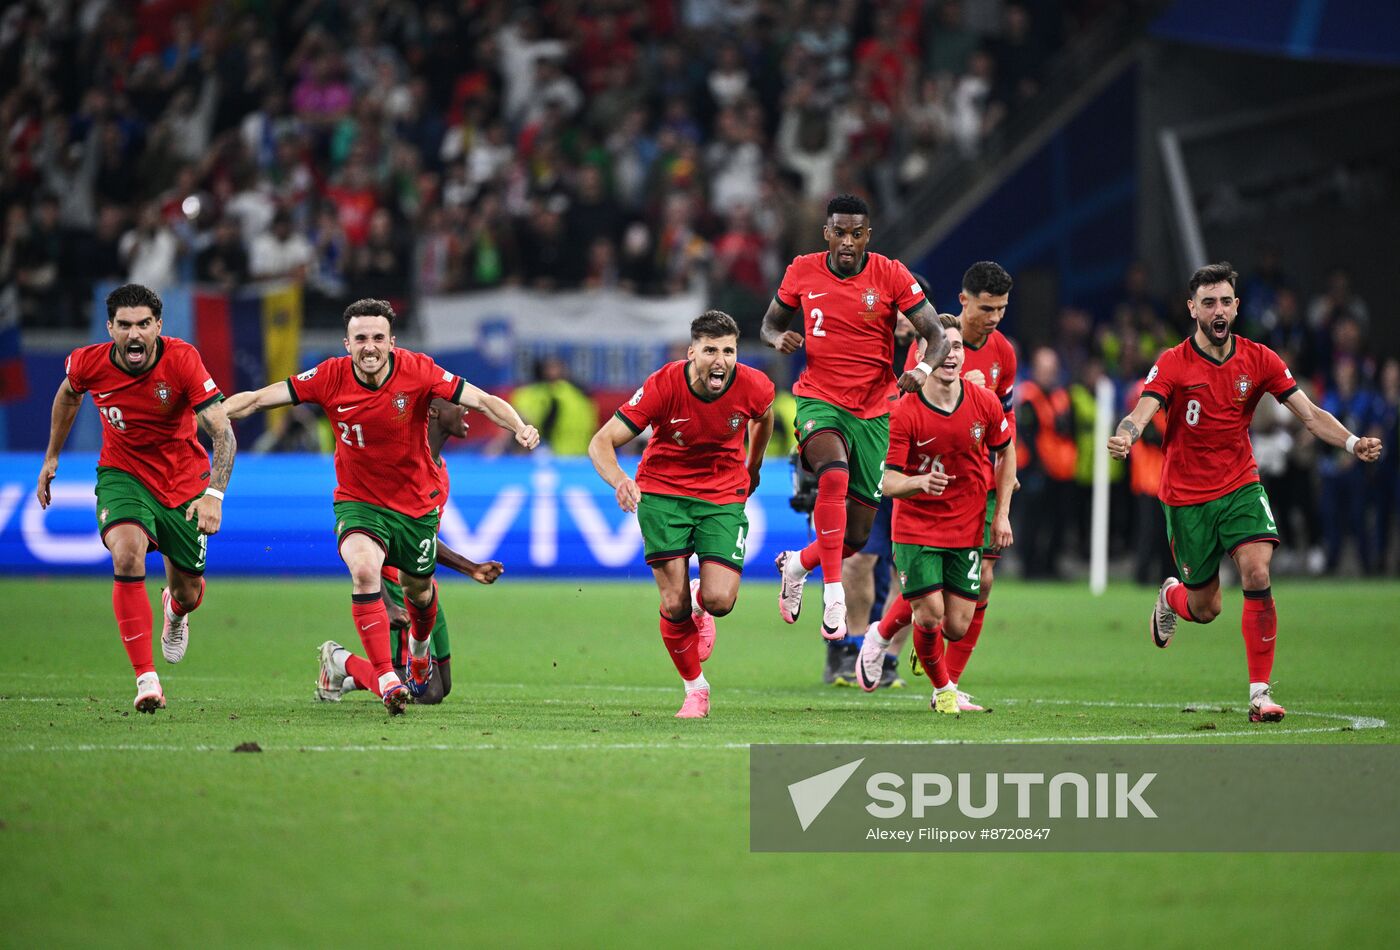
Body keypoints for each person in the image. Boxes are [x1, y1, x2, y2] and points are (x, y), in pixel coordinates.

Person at [224, 298, 539, 715]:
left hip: (412, 513)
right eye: (360, 339)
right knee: (364, 567)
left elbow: (481, 399)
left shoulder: (419, 373)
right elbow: (258, 399)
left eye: (377, 338)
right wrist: (204, 416)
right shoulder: (329, 376)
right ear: (346, 343)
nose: (368, 347)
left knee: (422, 597)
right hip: (359, 503)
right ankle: (387, 679)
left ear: (392, 342)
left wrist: (519, 426)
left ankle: (373, 659)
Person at [1108, 262, 1383, 722]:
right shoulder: (1174, 362)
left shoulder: (1260, 359)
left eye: (1226, 301)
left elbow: (1310, 414)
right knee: (1206, 606)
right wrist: (1127, 434)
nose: (1218, 310)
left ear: (1236, 307)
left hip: (1239, 483)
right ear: (1192, 308)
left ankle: (1260, 695)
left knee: (1257, 571)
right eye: (1208, 302)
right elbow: (1141, 410)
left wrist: (1353, 443)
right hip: (1187, 496)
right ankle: (1171, 597)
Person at [36, 283, 236, 712]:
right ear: (110, 328)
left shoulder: (182, 359)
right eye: (124, 325)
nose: (134, 334)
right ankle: (147, 680)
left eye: (144, 324)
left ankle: (174, 611)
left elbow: (223, 431)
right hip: (123, 475)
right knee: (127, 555)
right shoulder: (88, 362)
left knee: (188, 591)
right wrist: (52, 456)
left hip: (183, 484)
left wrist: (214, 495)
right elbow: (69, 394)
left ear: (158, 326)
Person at [762, 194, 949, 646]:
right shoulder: (802, 270)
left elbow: (937, 334)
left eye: (856, 233)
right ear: (826, 233)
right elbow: (768, 324)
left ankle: (798, 565)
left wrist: (921, 370)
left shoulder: (890, 274)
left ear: (868, 235)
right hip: (818, 400)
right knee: (833, 472)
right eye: (839, 232)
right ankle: (832, 597)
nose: (847, 241)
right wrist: (777, 338)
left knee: (857, 535)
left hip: (873, 410)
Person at [589, 310, 774, 718]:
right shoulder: (663, 385)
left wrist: (754, 464)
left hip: (723, 492)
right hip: (663, 493)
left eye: (729, 351)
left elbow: (764, 417)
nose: (721, 360)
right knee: (672, 605)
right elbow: (601, 442)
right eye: (710, 350)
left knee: (720, 600)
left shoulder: (753, 385)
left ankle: (700, 598)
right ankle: (696, 689)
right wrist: (621, 479)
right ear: (692, 352)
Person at [874, 261, 1018, 711]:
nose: (994, 317)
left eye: (1002, 309)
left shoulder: (1004, 356)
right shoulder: (926, 349)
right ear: (963, 301)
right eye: (987, 307)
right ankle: (917, 663)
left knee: (974, 597)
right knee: (929, 606)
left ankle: (948, 675)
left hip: (977, 483)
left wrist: (1004, 500)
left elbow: (1005, 429)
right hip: (924, 489)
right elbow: (906, 408)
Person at [322, 399, 505, 705]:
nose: (466, 410)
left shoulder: (440, 472)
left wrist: (469, 568)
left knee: (442, 686)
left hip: (422, 585)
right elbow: (363, 536)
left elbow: (424, 541)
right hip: (393, 583)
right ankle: (340, 661)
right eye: (457, 404)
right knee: (425, 693)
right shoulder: (394, 468)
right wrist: (385, 600)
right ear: (433, 412)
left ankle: (352, 676)